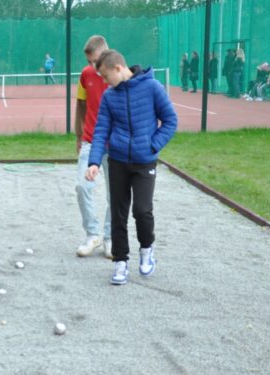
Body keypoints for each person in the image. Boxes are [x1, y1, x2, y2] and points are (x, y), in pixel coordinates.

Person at [86, 49, 177, 285]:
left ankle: (146, 250)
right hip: (117, 161)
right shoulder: (109, 96)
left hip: (144, 161)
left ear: (118, 68)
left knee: (142, 210)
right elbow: (101, 131)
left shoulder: (152, 87)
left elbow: (170, 120)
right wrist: (94, 161)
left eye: (106, 77)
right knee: (118, 213)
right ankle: (120, 262)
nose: (105, 82)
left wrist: (152, 145)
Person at [74, 35, 112, 259]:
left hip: (115, 144)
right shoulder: (86, 74)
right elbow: (80, 104)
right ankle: (93, 234)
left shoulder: (118, 74)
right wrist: (78, 135)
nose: (91, 67)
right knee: (82, 186)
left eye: (95, 61)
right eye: (88, 61)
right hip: (90, 140)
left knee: (115, 194)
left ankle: (109, 237)